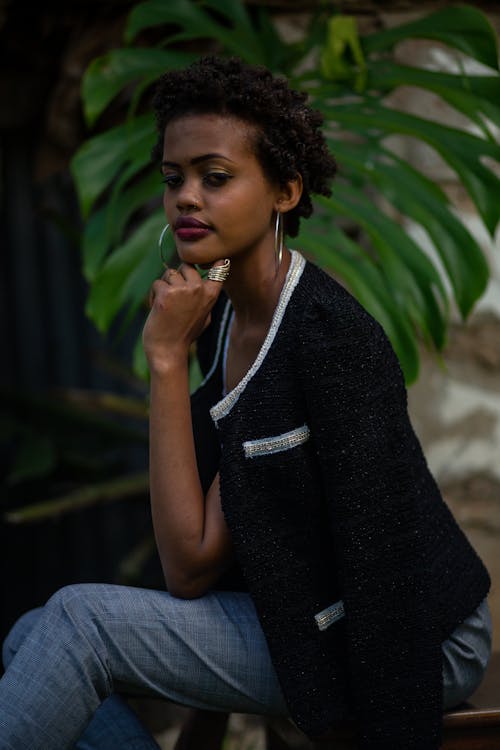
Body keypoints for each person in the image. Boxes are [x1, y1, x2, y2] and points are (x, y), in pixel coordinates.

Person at [0, 56, 492, 750]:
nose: (186, 198)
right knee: (29, 634)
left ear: (285, 190)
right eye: (175, 179)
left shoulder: (331, 341)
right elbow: (192, 563)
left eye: (216, 177)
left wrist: (393, 736)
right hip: (307, 605)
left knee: (78, 625)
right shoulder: (220, 317)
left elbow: (381, 563)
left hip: (420, 638)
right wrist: (170, 361)